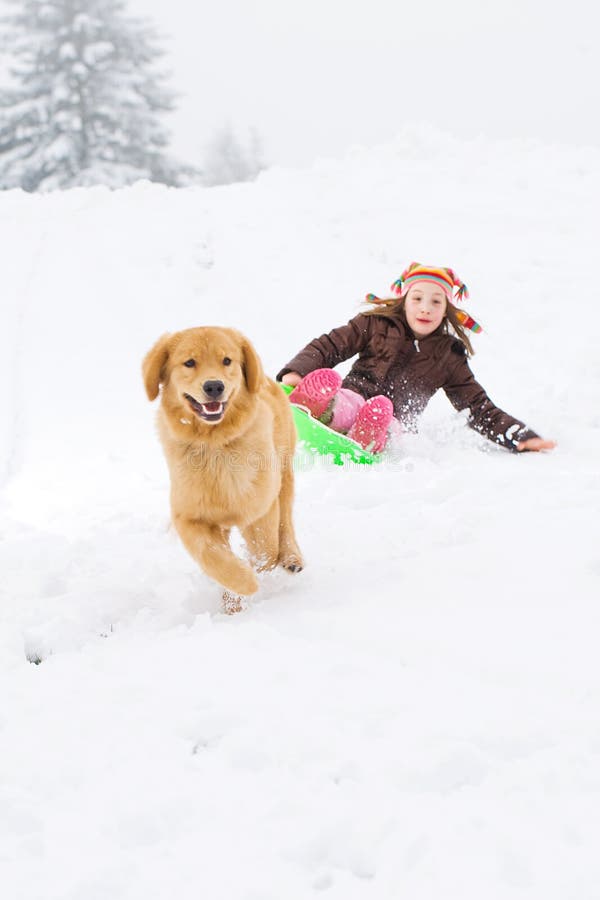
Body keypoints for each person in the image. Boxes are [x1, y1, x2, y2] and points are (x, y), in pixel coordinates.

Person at [277, 262, 556, 454]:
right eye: (418, 298)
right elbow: (329, 345)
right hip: (356, 395)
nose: (426, 308)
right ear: (405, 300)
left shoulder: (449, 355)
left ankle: (369, 436)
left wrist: (521, 437)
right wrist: (296, 372)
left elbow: (477, 407)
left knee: (385, 419)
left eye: (436, 301)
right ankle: (318, 406)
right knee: (346, 404)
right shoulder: (375, 324)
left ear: (446, 309)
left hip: (394, 419)